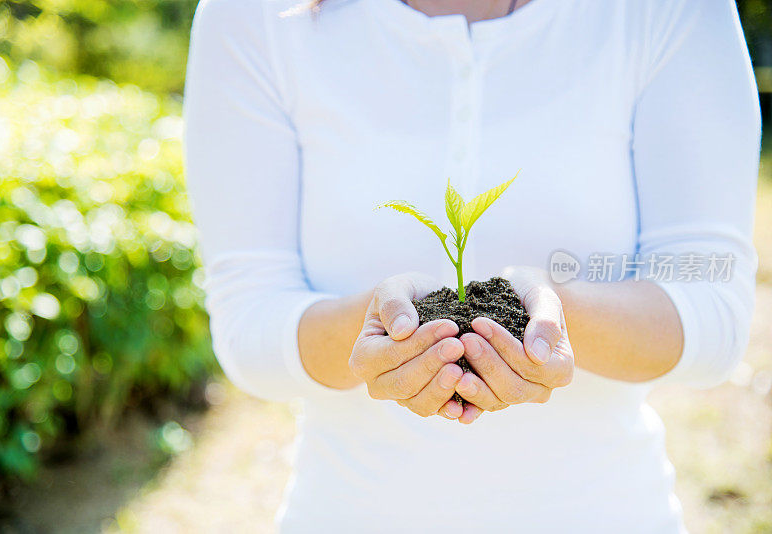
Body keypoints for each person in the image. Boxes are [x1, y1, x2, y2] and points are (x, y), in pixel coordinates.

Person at [183, 0, 760, 531]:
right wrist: (381, 330)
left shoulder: (665, 12)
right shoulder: (257, 15)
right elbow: (250, 321)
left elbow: (711, 306)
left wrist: (552, 319)